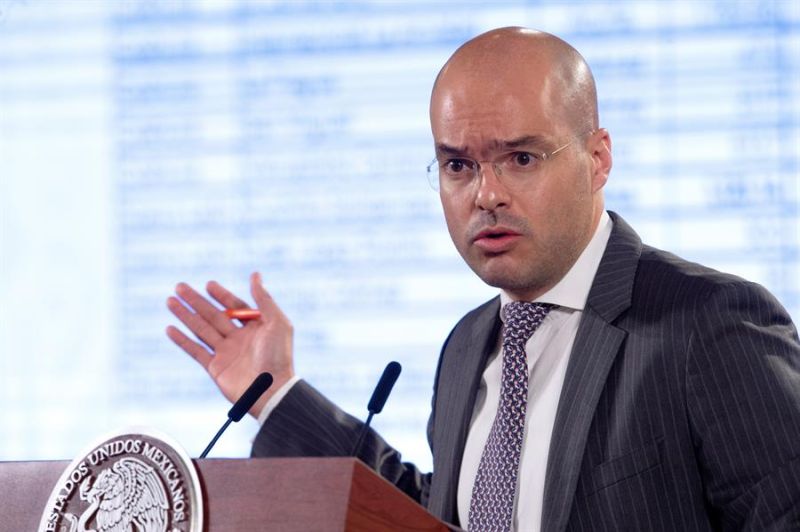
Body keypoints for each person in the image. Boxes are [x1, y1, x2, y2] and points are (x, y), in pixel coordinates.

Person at [166, 27, 800, 531]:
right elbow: (432, 518)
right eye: (458, 165)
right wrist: (276, 395)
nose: (486, 194)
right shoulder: (468, 345)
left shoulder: (711, 325)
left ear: (598, 158)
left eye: (520, 158)